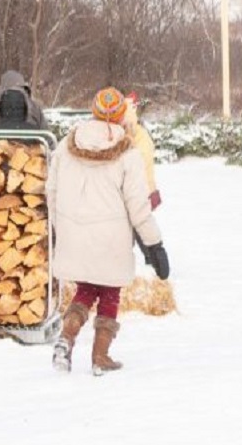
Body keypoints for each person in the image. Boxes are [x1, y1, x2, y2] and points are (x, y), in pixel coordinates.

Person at [48, 89, 166, 376]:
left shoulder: (67, 144)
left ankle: (66, 338)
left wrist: (58, 227)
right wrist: (155, 244)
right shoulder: (127, 152)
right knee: (109, 292)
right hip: (111, 237)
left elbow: (51, 190)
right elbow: (138, 205)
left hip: (74, 232)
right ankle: (100, 355)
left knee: (86, 288)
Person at [123, 94, 161, 210]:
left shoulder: (141, 137)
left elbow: (137, 164)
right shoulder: (127, 136)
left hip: (144, 194)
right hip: (134, 194)